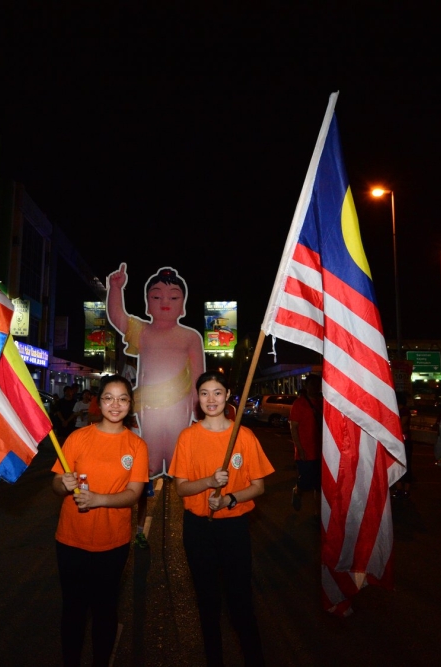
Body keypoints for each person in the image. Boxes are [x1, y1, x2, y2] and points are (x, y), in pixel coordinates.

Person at [171, 371, 273, 667]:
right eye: (204, 393)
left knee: (240, 600)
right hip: (198, 530)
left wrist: (229, 498)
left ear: (228, 395)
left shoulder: (244, 435)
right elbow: (180, 488)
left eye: (217, 392)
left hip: (234, 528)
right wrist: (208, 481)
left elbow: (258, 486)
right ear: (197, 397)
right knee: (207, 602)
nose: (211, 399)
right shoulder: (188, 437)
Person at [51, 374, 149, 667]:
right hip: (70, 540)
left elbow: (133, 494)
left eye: (122, 399)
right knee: (73, 610)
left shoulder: (136, 446)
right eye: (108, 398)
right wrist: (63, 483)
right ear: (98, 402)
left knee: (105, 610)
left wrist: (98, 499)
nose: (115, 405)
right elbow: (56, 485)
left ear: (130, 404)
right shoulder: (78, 438)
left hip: (113, 543)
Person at [107, 263, 205, 548]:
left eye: (174, 297)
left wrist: (197, 406)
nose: (165, 302)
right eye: (157, 296)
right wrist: (116, 288)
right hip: (148, 409)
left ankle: (195, 524)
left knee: (182, 471)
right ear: (148, 303)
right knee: (144, 469)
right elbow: (118, 317)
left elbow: (198, 376)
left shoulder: (190, 336)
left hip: (178, 411)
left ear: (183, 305)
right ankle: (137, 526)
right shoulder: (144, 332)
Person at [289, 373, 323, 512]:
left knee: (319, 484)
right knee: (306, 482)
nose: (315, 387)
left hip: (321, 451)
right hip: (306, 452)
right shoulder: (299, 404)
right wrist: (300, 448)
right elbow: (294, 427)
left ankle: (318, 514)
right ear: (306, 386)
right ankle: (297, 491)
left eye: (317, 384)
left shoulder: (323, 402)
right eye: (312, 384)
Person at [392, 391, 414, 499]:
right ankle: (399, 488)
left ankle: (406, 489)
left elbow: (401, 424)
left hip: (404, 441)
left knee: (406, 464)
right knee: (396, 464)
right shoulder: (395, 411)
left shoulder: (404, 411)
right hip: (397, 441)